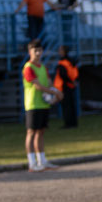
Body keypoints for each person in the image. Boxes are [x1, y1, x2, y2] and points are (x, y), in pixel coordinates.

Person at [23, 39, 61, 172]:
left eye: (39, 50)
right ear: (30, 52)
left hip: (44, 104)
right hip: (33, 104)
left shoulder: (43, 67)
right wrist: (53, 92)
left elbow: (49, 84)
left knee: (41, 132)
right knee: (31, 132)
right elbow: (38, 86)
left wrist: (56, 94)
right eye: (35, 51)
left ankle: (42, 160)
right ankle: (32, 163)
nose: (38, 53)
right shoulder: (28, 68)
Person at [52, 45, 81, 128]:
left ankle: (68, 123)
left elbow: (63, 75)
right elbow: (76, 72)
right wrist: (75, 81)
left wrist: (70, 81)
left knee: (66, 106)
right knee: (72, 105)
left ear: (63, 51)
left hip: (64, 86)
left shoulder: (62, 62)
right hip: (71, 85)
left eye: (60, 50)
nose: (59, 51)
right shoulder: (71, 61)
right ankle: (74, 122)